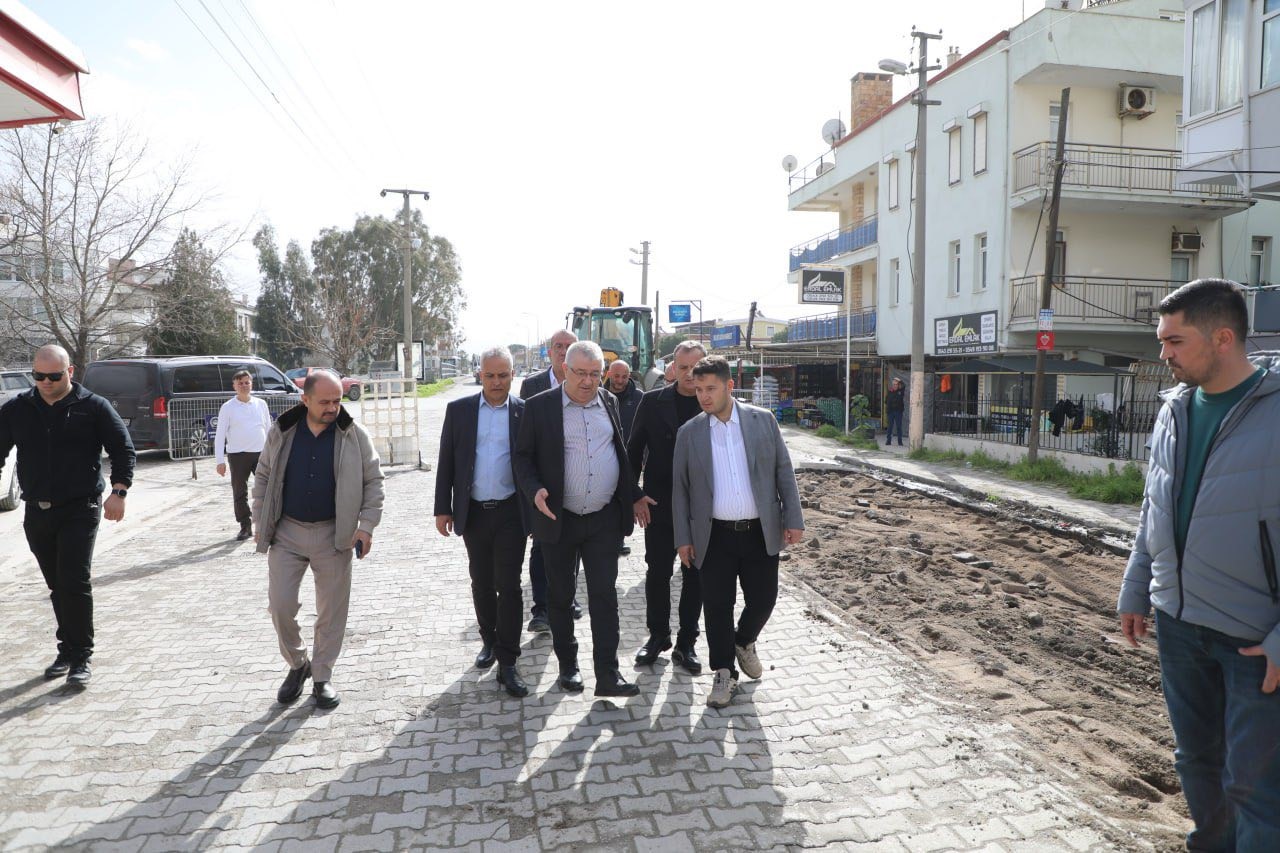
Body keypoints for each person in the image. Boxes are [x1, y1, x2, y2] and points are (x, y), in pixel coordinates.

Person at [1118, 278, 1280, 851]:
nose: (1164, 354)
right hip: (1178, 624)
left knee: (1256, 787)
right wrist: (1137, 587)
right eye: (1162, 341)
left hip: (1253, 638)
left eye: (1175, 341)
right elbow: (1154, 505)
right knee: (1197, 762)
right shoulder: (1174, 410)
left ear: (1224, 338)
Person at [672, 355, 804, 709]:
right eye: (698, 389)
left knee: (764, 599)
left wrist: (794, 517)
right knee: (717, 606)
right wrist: (683, 539)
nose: (703, 396)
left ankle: (744, 640)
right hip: (713, 536)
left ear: (730, 386)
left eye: (710, 388)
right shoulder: (689, 433)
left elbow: (783, 471)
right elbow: (680, 491)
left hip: (760, 532)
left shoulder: (763, 421)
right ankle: (723, 672)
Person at [0, 344, 134, 687]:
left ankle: (81, 657)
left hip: (81, 507)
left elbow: (122, 449)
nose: (46, 382)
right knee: (56, 584)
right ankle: (67, 647)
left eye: (54, 376)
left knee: (73, 581)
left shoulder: (93, 407)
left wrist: (118, 493)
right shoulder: (18, 409)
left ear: (69, 372)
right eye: (39, 376)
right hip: (37, 511)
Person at [514, 340, 643, 698]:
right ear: (564, 370)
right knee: (560, 597)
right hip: (559, 518)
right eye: (580, 373)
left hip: (603, 520)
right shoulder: (540, 407)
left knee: (605, 597)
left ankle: (608, 674)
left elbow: (619, 453)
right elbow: (522, 458)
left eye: (594, 374)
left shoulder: (610, 402)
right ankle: (568, 667)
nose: (588, 382)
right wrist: (535, 489)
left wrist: (633, 494)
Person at [252, 370, 384, 710]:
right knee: (280, 606)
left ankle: (322, 676)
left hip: (334, 534)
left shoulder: (354, 435)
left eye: (337, 400)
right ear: (305, 399)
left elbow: (374, 482)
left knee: (331, 611)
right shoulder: (282, 432)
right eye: (324, 401)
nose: (332, 408)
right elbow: (264, 476)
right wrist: (259, 519)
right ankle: (298, 665)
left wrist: (366, 526)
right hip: (287, 532)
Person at [434, 347, 531, 698]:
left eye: (503, 375)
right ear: (480, 375)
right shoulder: (459, 411)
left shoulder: (524, 412)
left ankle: (508, 660)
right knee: (481, 579)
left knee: (510, 584)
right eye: (490, 375)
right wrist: (442, 507)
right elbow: (446, 460)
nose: (496, 382)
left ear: (512, 374)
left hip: (510, 512)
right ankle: (488, 639)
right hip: (473, 511)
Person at [628, 340, 707, 674]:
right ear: (673, 367)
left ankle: (687, 642)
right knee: (657, 572)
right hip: (659, 503)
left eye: (696, 367)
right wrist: (634, 494)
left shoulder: (715, 404)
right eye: (684, 367)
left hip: (702, 507)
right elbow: (632, 452)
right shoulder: (652, 401)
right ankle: (659, 635)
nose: (690, 374)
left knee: (696, 575)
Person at [519, 329, 581, 633]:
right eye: (558, 346)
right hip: (543, 485)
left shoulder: (586, 382)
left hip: (578, 480)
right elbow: (522, 439)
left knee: (574, 545)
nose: (563, 350)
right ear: (550, 352)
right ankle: (541, 608)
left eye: (569, 346)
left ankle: (568, 599)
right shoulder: (532, 386)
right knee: (542, 546)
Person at [214, 369, 272, 541]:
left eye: (247, 382)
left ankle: (268, 523)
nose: (244, 386)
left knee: (267, 489)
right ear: (234, 386)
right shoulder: (228, 407)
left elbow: (268, 429)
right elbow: (220, 435)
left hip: (260, 453)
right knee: (239, 491)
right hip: (237, 455)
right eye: (240, 383)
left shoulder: (261, 404)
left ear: (251, 384)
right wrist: (220, 461)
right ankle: (245, 525)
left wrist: (273, 452)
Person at [605, 358, 644, 557]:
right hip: (604, 459)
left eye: (624, 377)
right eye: (616, 376)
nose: (620, 381)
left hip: (629, 460)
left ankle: (618, 540)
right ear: (608, 374)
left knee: (624, 500)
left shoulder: (639, 398)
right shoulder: (597, 395)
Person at [884, 377, 905, 447]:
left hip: (898, 412)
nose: (895, 385)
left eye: (896, 384)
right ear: (892, 385)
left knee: (899, 426)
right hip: (890, 412)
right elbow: (886, 401)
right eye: (894, 384)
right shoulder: (890, 391)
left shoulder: (900, 391)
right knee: (890, 426)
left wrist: (899, 380)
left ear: (898, 385)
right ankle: (888, 441)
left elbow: (904, 385)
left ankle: (900, 441)